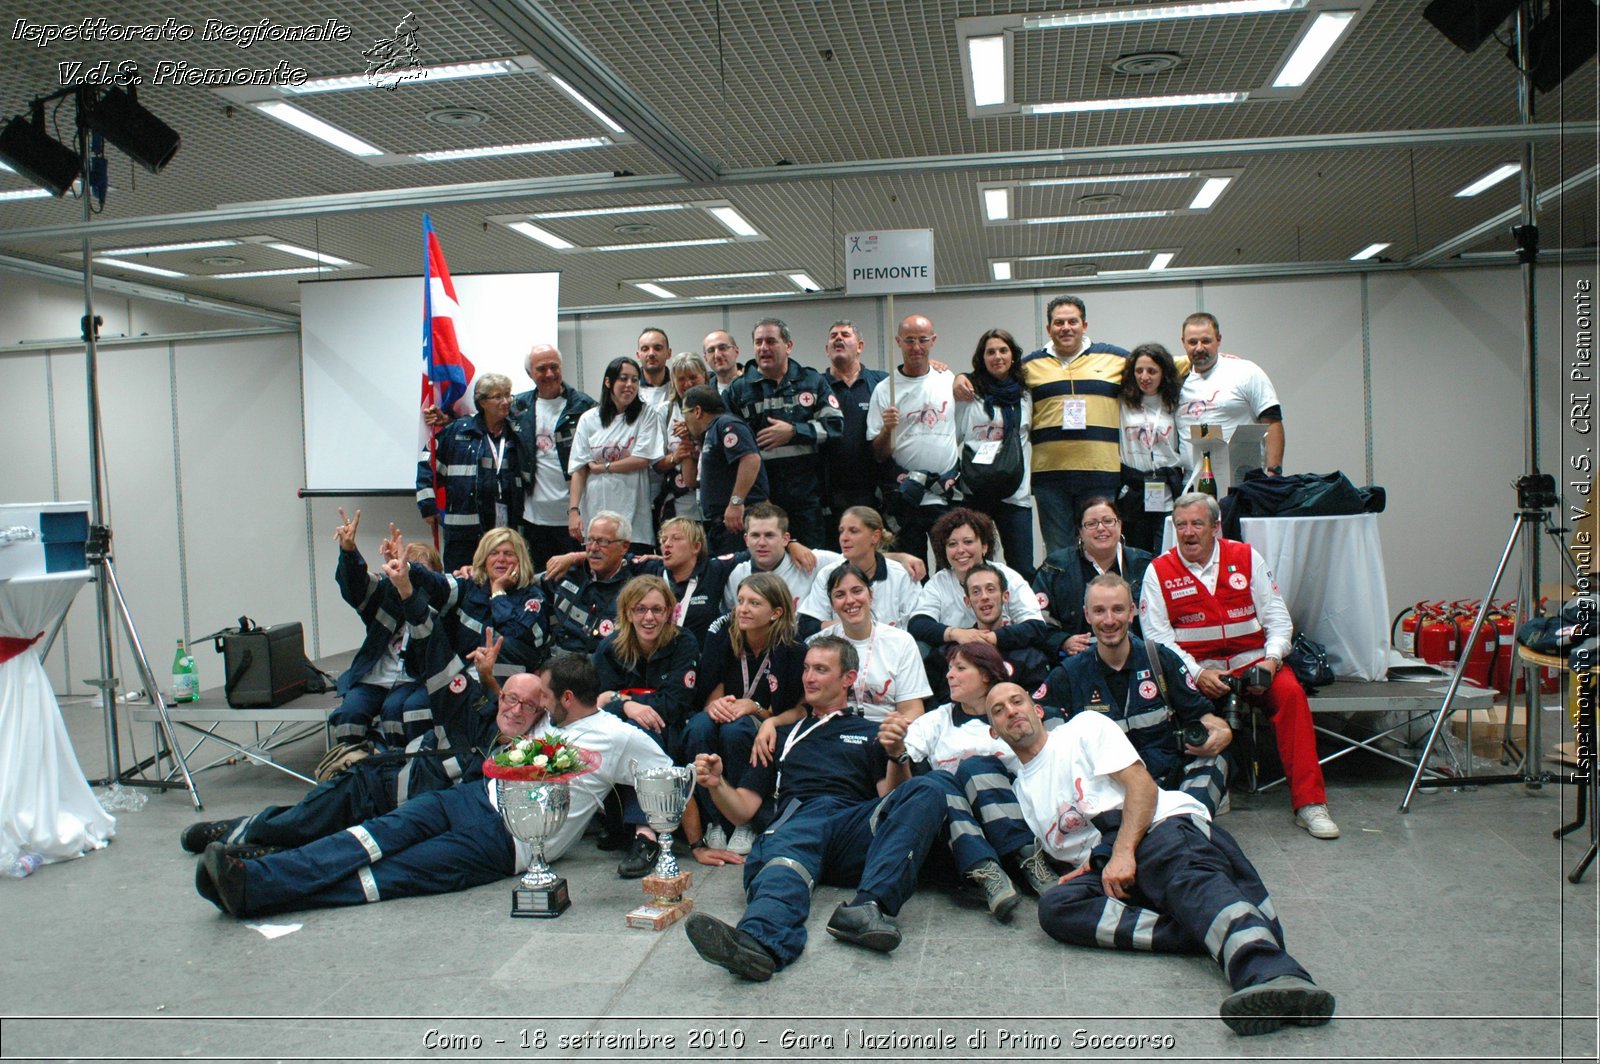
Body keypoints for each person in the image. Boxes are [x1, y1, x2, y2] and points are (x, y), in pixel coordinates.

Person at [196, 656, 674, 918]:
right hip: (471, 799)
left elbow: (668, 777)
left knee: (395, 872)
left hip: (507, 841)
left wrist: (662, 835)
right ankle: (260, 870)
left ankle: (258, 888)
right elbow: (512, 710)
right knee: (375, 836)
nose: (537, 704)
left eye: (544, 695)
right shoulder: (552, 718)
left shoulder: (619, 737)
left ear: (566, 698)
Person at [985, 681, 1335, 1036]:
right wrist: (1087, 867)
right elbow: (1069, 842)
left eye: (1017, 701)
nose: (1011, 711)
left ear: (1037, 709)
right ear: (993, 732)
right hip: (1108, 864)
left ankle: (1275, 973)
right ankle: (1209, 927)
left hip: (1155, 828)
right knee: (1056, 908)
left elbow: (1142, 787)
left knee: (1183, 877)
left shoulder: (1083, 728)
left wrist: (1121, 852)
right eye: (998, 710)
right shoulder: (1022, 790)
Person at [684, 636, 953, 981]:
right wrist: (717, 784)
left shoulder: (871, 732)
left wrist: (896, 754)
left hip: (854, 827)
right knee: (782, 867)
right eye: (807, 669)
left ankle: (867, 908)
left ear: (848, 679)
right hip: (801, 820)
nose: (809, 677)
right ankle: (757, 944)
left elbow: (893, 800)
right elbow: (742, 811)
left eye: (821, 670)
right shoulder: (779, 736)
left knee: (928, 788)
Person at [1140, 493, 1337, 839]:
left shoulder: (1246, 557)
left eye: (1197, 524)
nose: (1188, 533)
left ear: (1216, 527)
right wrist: (1197, 673)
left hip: (1256, 664)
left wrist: (1273, 660)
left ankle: (1310, 804)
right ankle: (1210, 787)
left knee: (1291, 696)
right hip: (1197, 672)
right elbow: (1158, 640)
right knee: (1183, 711)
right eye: (1181, 525)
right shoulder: (1158, 571)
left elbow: (1278, 619)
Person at [880, 641, 1060, 919]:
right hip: (959, 839)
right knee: (936, 782)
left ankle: (1029, 859)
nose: (949, 675)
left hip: (1016, 822)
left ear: (986, 674)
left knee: (975, 766)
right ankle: (987, 872)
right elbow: (898, 785)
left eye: (960, 668)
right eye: (949, 669)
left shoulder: (1011, 716)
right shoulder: (937, 720)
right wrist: (896, 752)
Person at [1037, 574, 1233, 814]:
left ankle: (1184, 818)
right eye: (1099, 611)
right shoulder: (1068, 675)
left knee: (1216, 758)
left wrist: (1223, 733)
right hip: (1108, 794)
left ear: (1132, 612)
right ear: (1087, 615)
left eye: (1117, 610)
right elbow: (1044, 740)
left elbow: (1204, 716)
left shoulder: (1160, 659)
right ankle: (1181, 828)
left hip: (1169, 784)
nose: (1109, 620)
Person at [684, 572, 807, 858]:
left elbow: (801, 708)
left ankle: (745, 821)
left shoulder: (793, 649)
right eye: (740, 601)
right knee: (699, 727)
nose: (743, 609)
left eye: (754, 603)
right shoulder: (723, 636)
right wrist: (717, 706)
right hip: (726, 715)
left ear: (776, 612)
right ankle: (714, 819)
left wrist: (756, 709)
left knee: (736, 730)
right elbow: (711, 692)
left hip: (764, 722)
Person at [724, 318, 843, 547]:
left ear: (788, 346)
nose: (763, 348)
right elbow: (727, 446)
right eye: (758, 342)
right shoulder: (738, 390)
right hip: (760, 499)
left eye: (771, 341)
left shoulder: (812, 381)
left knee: (810, 562)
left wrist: (794, 431)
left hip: (806, 499)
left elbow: (835, 426)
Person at [327, 508, 440, 745]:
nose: (411, 578)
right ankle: (349, 769)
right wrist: (348, 551)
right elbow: (355, 586)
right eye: (408, 569)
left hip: (410, 682)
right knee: (349, 714)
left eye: (421, 573)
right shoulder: (385, 593)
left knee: (394, 713)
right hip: (373, 680)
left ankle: (394, 769)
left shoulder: (440, 604)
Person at [869, 314, 960, 564]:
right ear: (898, 342)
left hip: (944, 493)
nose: (916, 347)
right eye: (909, 340)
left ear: (933, 341)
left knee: (952, 568)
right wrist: (887, 430)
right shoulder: (885, 390)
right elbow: (879, 454)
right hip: (905, 495)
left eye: (923, 340)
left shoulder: (948, 380)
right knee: (910, 571)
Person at [405, 525, 550, 681]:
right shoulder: (470, 585)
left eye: (508, 554)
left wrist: (498, 592)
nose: (501, 559)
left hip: (507, 685)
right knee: (398, 705)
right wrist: (407, 567)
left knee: (501, 645)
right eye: (493, 553)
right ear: (484, 560)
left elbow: (513, 633)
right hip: (462, 677)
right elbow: (436, 583)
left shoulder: (533, 598)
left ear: (520, 561)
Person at [416, 372, 523, 572]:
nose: (506, 401)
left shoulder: (516, 433)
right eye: (498, 396)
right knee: (461, 582)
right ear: (482, 402)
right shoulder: (458, 432)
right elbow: (427, 463)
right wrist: (427, 505)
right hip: (463, 533)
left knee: (503, 582)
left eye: (508, 395)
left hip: (504, 530)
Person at [907, 508, 1048, 659]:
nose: (960, 550)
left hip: (1004, 654)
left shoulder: (1009, 577)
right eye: (952, 544)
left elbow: (1036, 627)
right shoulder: (939, 582)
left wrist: (990, 638)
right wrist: (957, 634)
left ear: (984, 546)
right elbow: (917, 624)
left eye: (968, 542)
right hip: (956, 659)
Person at [798, 564, 929, 723]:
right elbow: (806, 704)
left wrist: (893, 733)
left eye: (857, 591)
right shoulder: (817, 644)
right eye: (840, 595)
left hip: (882, 732)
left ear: (871, 595)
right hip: (831, 730)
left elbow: (912, 709)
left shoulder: (901, 642)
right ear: (832, 604)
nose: (850, 601)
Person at [956, 327, 1035, 581]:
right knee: (976, 566)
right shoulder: (968, 393)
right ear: (982, 357)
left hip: (1015, 494)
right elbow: (953, 437)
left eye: (1003, 350)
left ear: (1013, 355)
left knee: (1021, 567)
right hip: (975, 492)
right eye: (990, 352)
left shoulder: (1025, 395)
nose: (997, 356)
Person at [593, 575, 700, 760]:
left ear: (667, 612)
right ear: (628, 613)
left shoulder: (683, 643)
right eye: (640, 609)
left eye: (657, 609)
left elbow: (674, 704)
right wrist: (626, 707)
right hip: (619, 730)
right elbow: (594, 706)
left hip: (670, 729)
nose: (649, 617)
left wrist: (619, 699)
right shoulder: (610, 648)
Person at [509, 344, 596, 570]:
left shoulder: (585, 406)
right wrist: (444, 420)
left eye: (554, 367)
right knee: (539, 581)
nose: (549, 374)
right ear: (529, 373)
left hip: (576, 518)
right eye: (541, 369)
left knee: (576, 581)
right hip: (532, 519)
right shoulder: (517, 407)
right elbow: (485, 421)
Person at [1032, 497, 1153, 659]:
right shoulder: (1056, 568)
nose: (1101, 528)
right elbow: (1037, 618)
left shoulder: (1144, 564)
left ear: (1120, 525)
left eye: (1108, 521)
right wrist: (1062, 641)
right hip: (1077, 658)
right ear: (1080, 531)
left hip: (1137, 656)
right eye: (1091, 524)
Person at [568, 357, 663, 551]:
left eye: (635, 380)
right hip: (595, 512)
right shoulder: (589, 419)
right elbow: (579, 469)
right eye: (623, 379)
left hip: (634, 518)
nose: (629, 385)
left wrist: (603, 467)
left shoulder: (646, 414)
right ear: (608, 382)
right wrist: (574, 511)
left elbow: (642, 459)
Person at [542, 511, 664, 655]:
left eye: (603, 542)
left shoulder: (639, 579)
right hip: (560, 663)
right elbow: (526, 583)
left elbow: (681, 565)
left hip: (608, 667)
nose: (593, 548)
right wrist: (575, 557)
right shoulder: (566, 572)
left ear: (624, 547)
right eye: (590, 540)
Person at [1179, 313, 1285, 476]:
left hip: (1243, 481)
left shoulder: (1246, 372)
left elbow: (1272, 422)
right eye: (1193, 342)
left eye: (1206, 341)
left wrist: (1274, 473)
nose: (1199, 348)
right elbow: (1143, 360)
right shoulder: (1175, 383)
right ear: (1183, 343)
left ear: (1218, 339)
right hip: (1192, 485)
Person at [930, 562, 1052, 697]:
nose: (984, 597)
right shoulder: (949, 653)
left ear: (1005, 596)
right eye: (976, 592)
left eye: (990, 589)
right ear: (967, 602)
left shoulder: (1028, 655)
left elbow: (1037, 704)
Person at [797, 506, 921, 630]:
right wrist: (853, 627)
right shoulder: (828, 573)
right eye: (841, 531)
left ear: (875, 536)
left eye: (853, 531)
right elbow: (808, 626)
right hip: (842, 647)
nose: (844, 538)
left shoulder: (902, 575)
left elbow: (917, 625)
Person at [1117, 342, 1189, 554]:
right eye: (1139, 370)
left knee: (1165, 555)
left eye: (1152, 371)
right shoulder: (1122, 401)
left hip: (1166, 489)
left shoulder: (1175, 402)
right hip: (1134, 490)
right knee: (1136, 556)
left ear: (1163, 373)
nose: (1144, 377)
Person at [821, 320, 888, 550]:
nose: (838, 338)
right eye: (833, 336)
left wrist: (936, 366)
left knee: (872, 557)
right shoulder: (815, 386)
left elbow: (915, 378)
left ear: (860, 345)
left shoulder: (881, 383)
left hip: (873, 492)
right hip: (829, 495)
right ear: (826, 349)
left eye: (845, 334)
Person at [679, 384, 768, 555]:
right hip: (720, 523)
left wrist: (736, 503)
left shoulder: (726, 424)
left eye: (686, 414)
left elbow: (750, 459)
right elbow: (691, 481)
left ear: (697, 411)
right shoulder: (710, 433)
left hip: (738, 520)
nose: (685, 420)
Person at [721, 503, 834, 612]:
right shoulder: (737, 576)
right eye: (755, 535)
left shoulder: (811, 560)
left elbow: (850, 561)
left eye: (769, 535)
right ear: (746, 540)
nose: (762, 543)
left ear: (785, 539)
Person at [653, 353, 713, 530]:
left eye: (693, 378)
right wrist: (676, 457)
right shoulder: (665, 412)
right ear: (673, 381)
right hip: (679, 504)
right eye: (681, 379)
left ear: (705, 377)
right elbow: (656, 464)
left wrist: (697, 445)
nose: (688, 384)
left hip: (713, 501)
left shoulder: (718, 407)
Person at [635, 326, 674, 412]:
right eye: (645, 349)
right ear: (638, 355)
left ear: (669, 353)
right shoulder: (630, 387)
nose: (651, 354)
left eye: (657, 348)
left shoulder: (679, 386)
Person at [702, 329, 747, 394]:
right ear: (705, 358)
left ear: (736, 351)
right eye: (711, 350)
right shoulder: (704, 394)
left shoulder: (754, 384)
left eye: (722, 348)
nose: (717, 355)